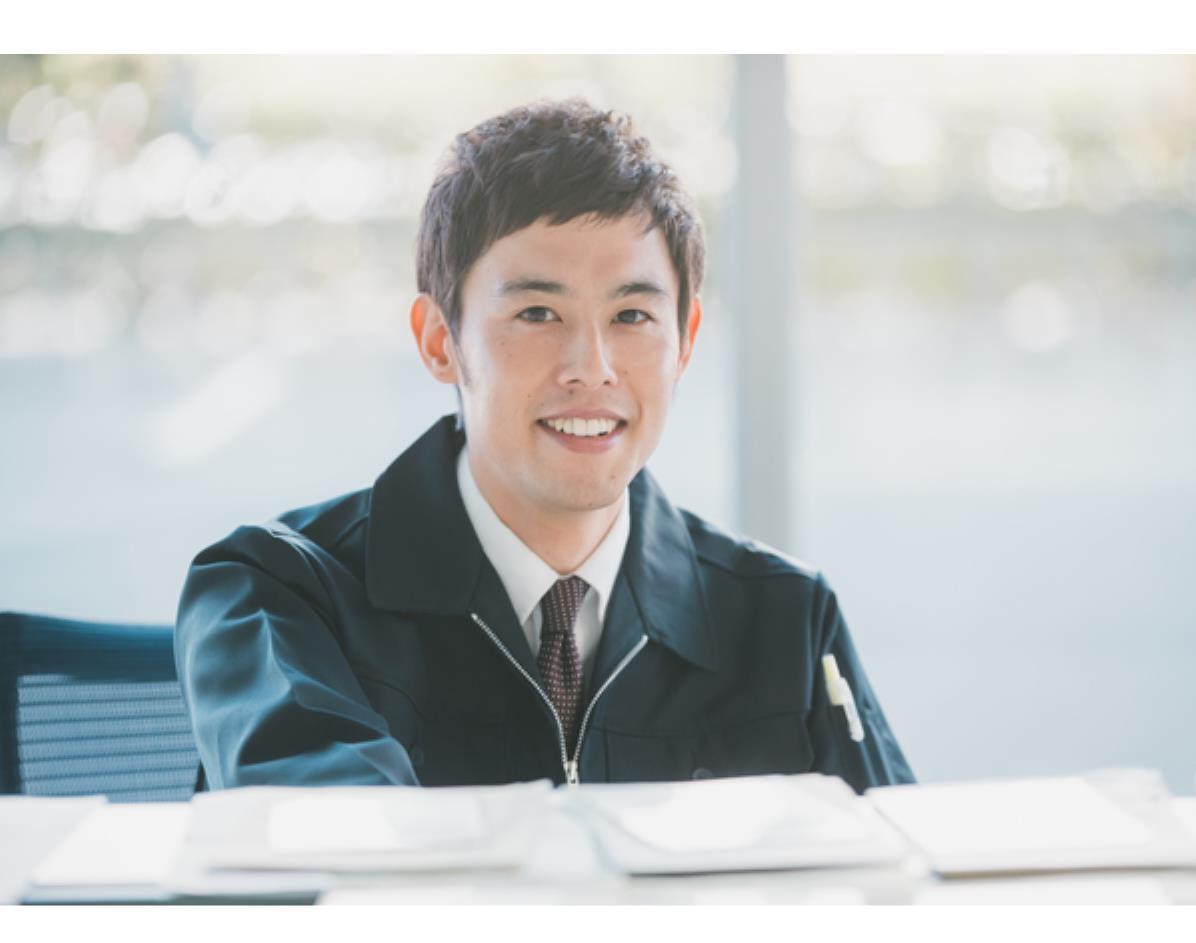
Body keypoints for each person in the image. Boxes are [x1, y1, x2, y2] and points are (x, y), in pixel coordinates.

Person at [175, 99, 914, 792]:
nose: (591, 368)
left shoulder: (785, 619)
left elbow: (900, 860)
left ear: (685, 342)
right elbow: (335, 844)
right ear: (439, 341)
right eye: (537, 313)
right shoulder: (273, 592)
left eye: (632, 316)